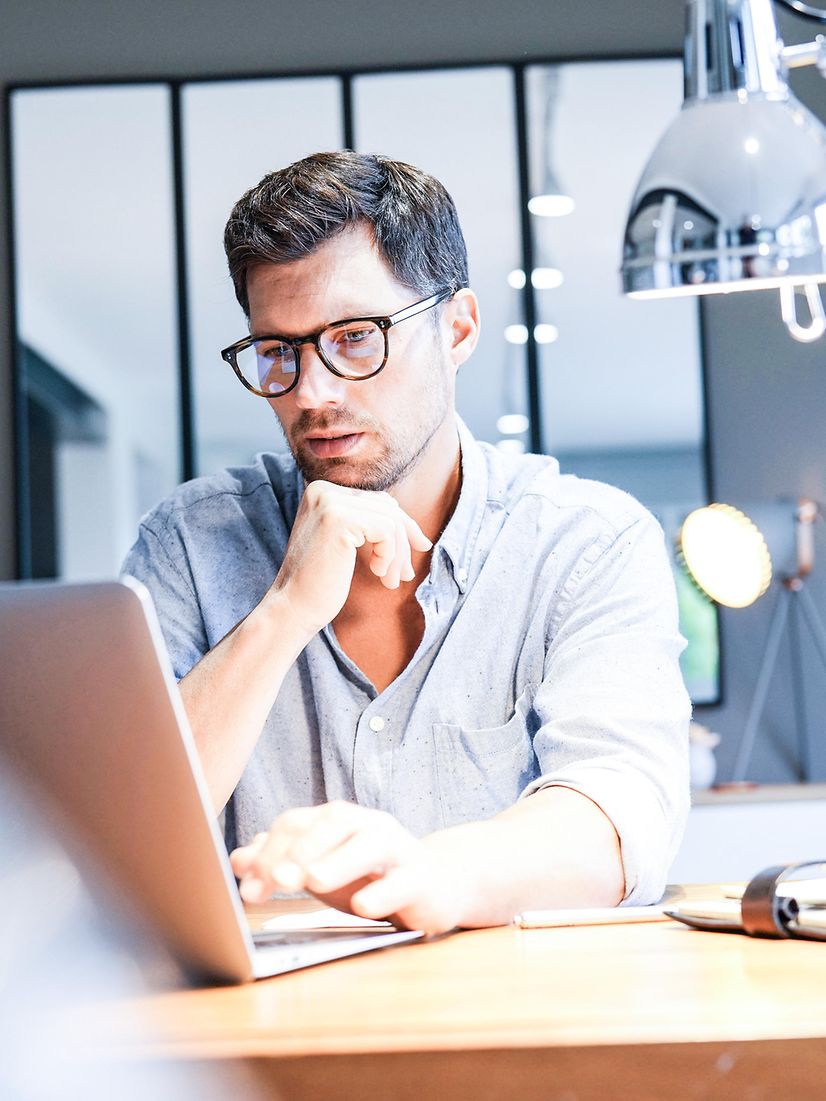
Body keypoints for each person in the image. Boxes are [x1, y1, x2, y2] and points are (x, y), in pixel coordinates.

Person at [123, 151, 690, 935]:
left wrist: (429, 872)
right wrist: (283, 612)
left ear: (458, 328)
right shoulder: (189, 544)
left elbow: (620, 814)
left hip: (510, 1004)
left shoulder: (585, 543)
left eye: (356, 337)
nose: (313, 393)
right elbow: (121, 840)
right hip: (260, 1011)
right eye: (278, 352)